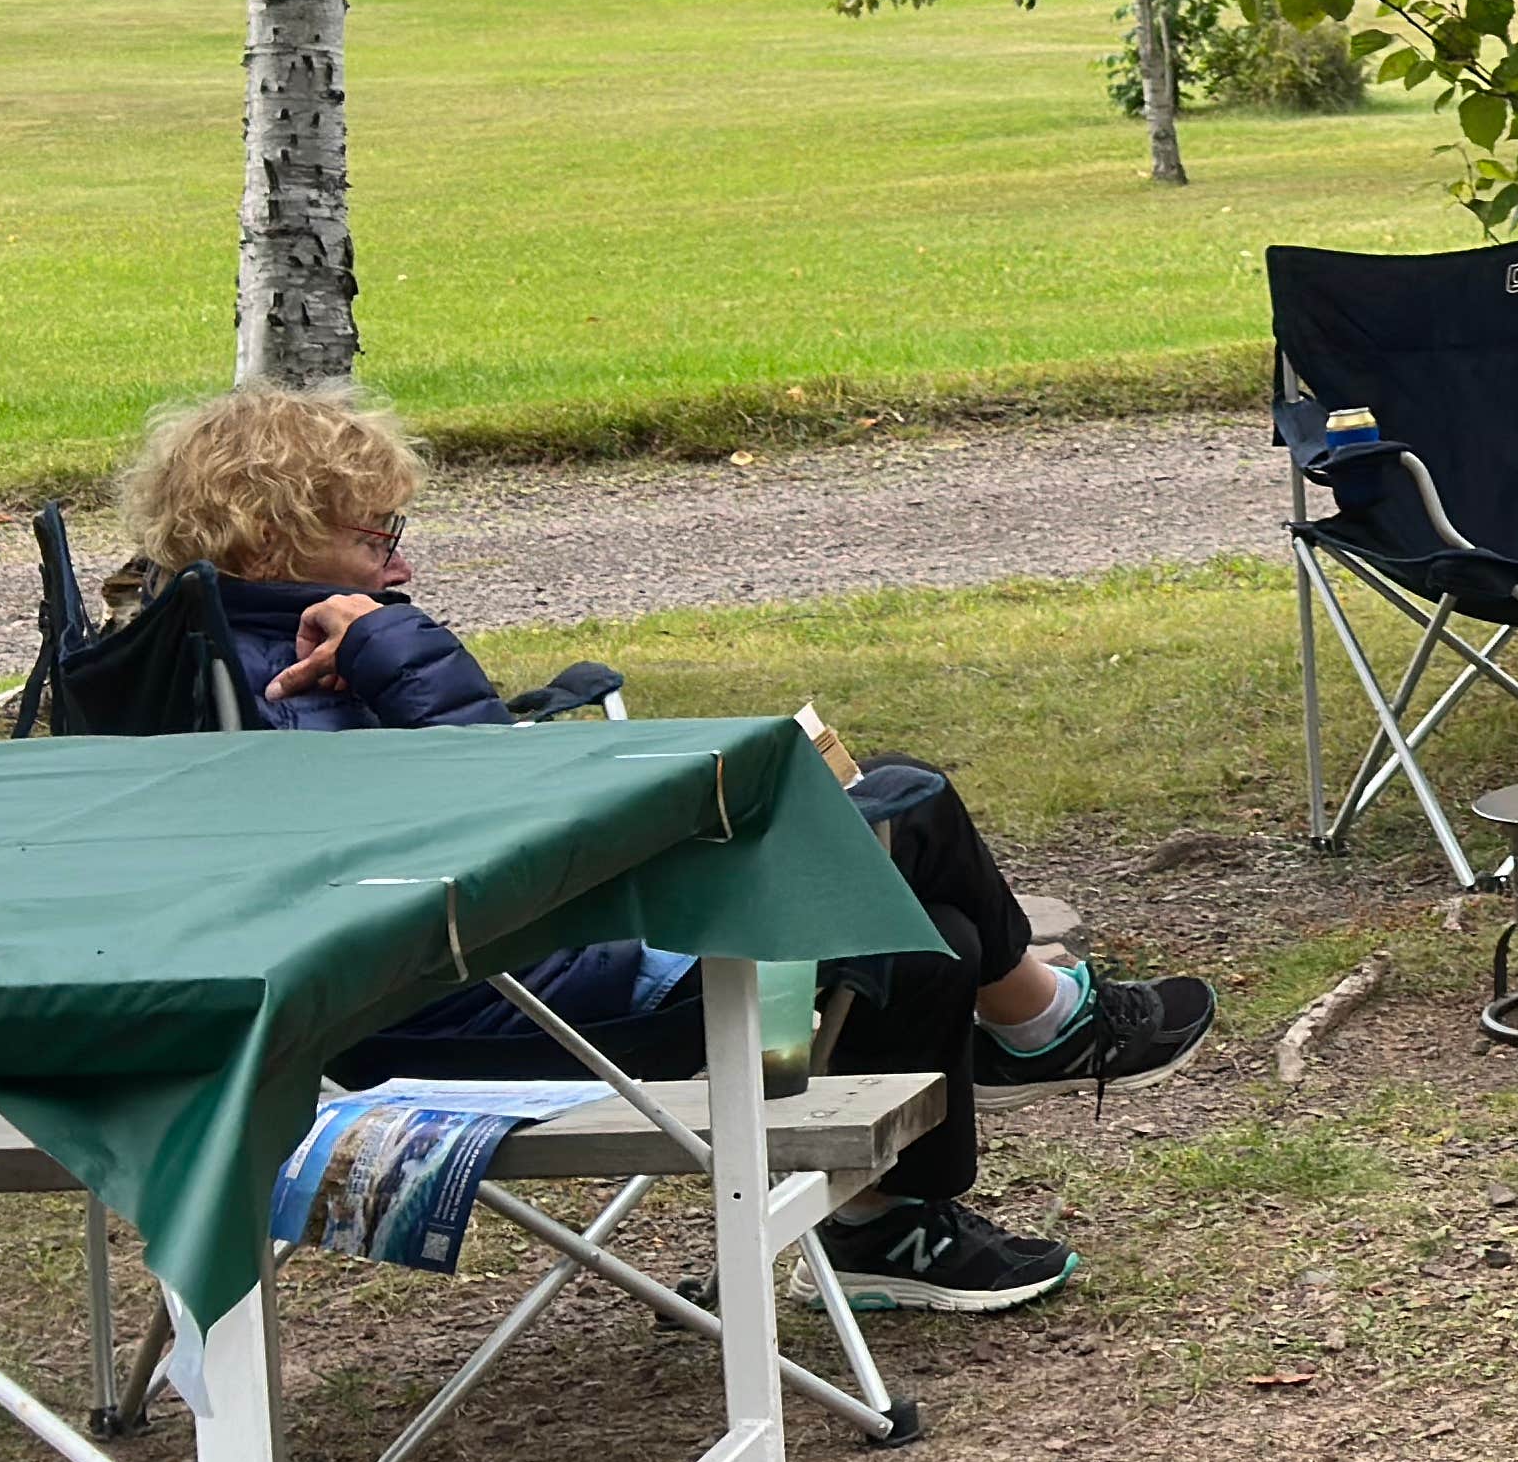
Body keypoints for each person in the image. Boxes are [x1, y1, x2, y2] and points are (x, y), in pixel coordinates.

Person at [110, 390, 1208, 1313]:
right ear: (267, 539)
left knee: (931, 933)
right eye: (374, 536)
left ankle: (893, 1222)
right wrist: (404, 647)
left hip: (501, 980)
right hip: (517, 1021)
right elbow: (511, 833)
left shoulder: (216, 653)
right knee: (906, 807)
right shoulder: (297, 686)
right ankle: (1044, 1027)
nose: (400, 563)